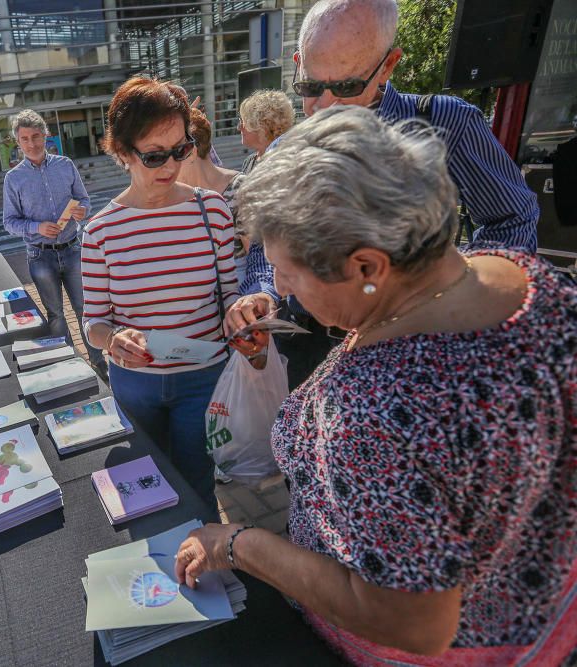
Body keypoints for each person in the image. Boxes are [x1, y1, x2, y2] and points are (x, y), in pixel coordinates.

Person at [175, 106, 577, 665]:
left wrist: (241, 544)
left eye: (288, 274)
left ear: (367, 267)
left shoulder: (377, 410)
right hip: (539, 610)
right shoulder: (522, 276)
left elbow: (411, 622)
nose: (283, 290)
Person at [234, 0, 541, 389]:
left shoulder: (445, 122)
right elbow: (269, 244)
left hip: (422, 348)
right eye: (310, 86)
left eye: (346, 86)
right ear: (298, 64)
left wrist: (454, 302)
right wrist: (262, 293)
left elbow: (511, 217)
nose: (325, 105)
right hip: (310, 347)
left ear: (389, 65)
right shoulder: (284, 150)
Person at [81, 77, 240, 516]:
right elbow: (92, 322)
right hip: (136, 383)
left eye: (181, 149)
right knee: (145, 492)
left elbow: (229, 297)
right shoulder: (100, 232)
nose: (171, 165)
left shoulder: (213, 211)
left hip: (204, 377)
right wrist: (111, 339)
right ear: (123, 153)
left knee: (199, 487)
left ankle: (207, 577)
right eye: (154, 155)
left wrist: (246, 320)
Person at [2, 109, 105, 375]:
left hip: (72, 250)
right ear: (18, 142)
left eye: (36, 136)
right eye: (25, 139)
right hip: (40, 256)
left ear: (45, 135)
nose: (32, 143)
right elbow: (9, 222)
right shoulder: (13, 179)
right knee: (56, 314)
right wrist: (37, 227)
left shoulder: (65, 165)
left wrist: (82, 210)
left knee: (84, 308)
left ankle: (98, 361)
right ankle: (71, 365)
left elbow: (84, 200)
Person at [179, 107, 249, 290]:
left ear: (191, 153)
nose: (167, 165)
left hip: (238, 296)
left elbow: (258, 259)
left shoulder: (239, 188)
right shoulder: (178, 196)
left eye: (174, 154)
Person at [237, 89, 295, 174]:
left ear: (262, 126)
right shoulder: (249, 161)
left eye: (243, 121)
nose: (239, 127)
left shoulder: (284, 164)